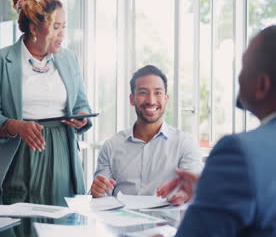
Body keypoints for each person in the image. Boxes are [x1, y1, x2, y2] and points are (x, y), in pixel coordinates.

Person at [157, 25, 276, 236]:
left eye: (243, 67)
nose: (238, 77)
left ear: (262, 85)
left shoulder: (239, 153)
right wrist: (212, 191)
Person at [0, 0, 92, 196]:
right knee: (21, 224)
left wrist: (82, 116)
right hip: (19, 155)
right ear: (34, 28)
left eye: (64, 26)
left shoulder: (69, 59)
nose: (62, 34)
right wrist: (16, 126)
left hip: (63, 154)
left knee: (61, 224)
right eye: (55, 27)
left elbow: (81, 104)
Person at [90, 65, 202, 199]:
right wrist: (98, 191)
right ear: (132, 99)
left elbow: (194, 187)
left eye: (158, 93)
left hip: (168, 219)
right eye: (143, 92)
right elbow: (101, 196)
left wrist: (187, 194)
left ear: (166, 99)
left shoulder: (185, 144)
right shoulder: (111, 147)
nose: (151, 100)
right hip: (122, 219)